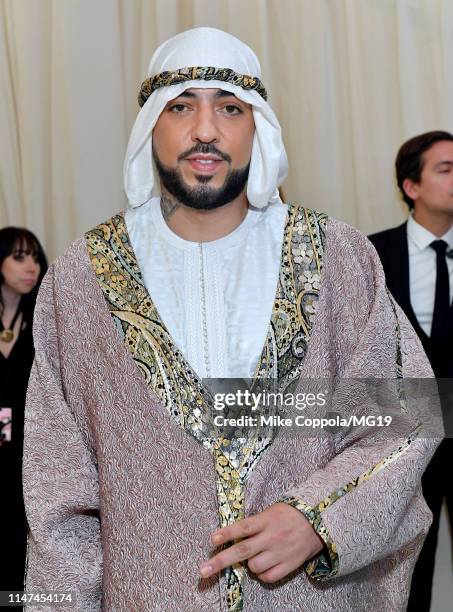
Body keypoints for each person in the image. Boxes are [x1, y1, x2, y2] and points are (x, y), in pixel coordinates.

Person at [23, 28, 440, 611]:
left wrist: (320, 518)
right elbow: (58, 498)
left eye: (229, 108)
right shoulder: (80, 282)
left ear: (256, 128)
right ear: (150, 126)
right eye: (181, 107)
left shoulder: (336, 258)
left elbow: (407, 415)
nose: (205, 130)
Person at [369, 130, 453, 611]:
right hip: (405, 440)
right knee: (408, 571)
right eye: (445, 168)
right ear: (411, 186)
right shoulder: (371, 256)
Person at [0, 227, 47, 591]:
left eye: (34, 257)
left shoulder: (43, 321)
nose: (30, 266)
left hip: (28, 448)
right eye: (18, 257)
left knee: (19, 533)